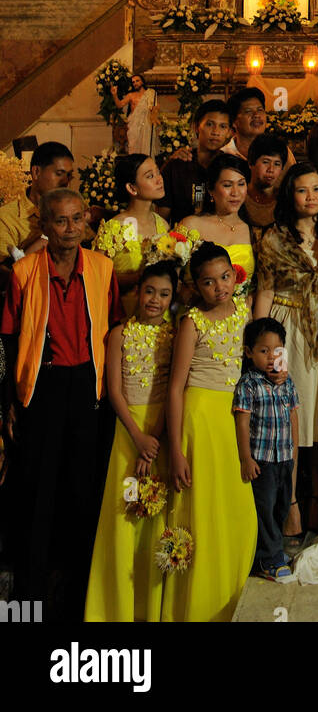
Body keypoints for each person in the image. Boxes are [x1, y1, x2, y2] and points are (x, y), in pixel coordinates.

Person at [0, 189, 124, 618]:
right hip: (41, 387)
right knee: (36, 497)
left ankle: (79, 602)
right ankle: (30, 603)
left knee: (82, 495)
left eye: (77, 219)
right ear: (44, 226)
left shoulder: (103, 269)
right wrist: (8, 403)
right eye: (60, 221)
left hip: (87, 389)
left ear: (86, 222)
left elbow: (112, 331)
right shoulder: (23, 271)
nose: (70, 229)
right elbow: (7, 340)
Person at [162, 243, 256, 622]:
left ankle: (230, 596)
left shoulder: (243, 311)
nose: (219, 287)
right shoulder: (192, 321)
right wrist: (176, 450)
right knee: (203, 513)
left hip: (232, 417)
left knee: (237, 512)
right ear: (195, 286)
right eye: (208, 282)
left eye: (225, 278)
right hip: (200, 420)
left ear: (234, 276)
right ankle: (198, 605)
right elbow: (175, 386)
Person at [84, 262, 178, 622]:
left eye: (164, 294)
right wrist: (138, 438)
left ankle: (151, 609)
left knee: (156, 515)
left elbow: (172, 389)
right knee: (127, 510)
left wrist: (153, 440)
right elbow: (114, 391)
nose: (155, 299)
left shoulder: (173, 334)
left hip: (161, 434)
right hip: (128, 436)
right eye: (150, 291)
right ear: (138, 292)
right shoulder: (120, 333)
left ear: (172, 299)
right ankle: (118, 609)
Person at [255, 162, 318, 539]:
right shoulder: (274, 238)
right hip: (287, 329)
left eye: (317, 189)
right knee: (286, 419)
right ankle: (290, 507)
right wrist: (261, 346)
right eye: (303, 190)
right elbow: (265, 291)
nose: (310, 197)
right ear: (291, 195)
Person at [233, 317, 300, 584]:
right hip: (262, 460)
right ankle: (267, 558)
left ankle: (273, 552)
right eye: (263, 351)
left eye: (277, 350)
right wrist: (246, 458)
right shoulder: (248, 384)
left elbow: (294, 415)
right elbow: (242, 422)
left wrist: (294, 452)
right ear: (249, 353)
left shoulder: (287, 382)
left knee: (281, 507)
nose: (271, 357)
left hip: (284, 457)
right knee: (265, 507)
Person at [93, 153, 169, 316]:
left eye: (158, 173)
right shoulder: (115, 227)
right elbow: (97, 277)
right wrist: (138, 277)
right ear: (132, 188)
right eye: (150, 176)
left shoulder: (162, 224)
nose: (159, 179)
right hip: (126, 314)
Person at [180, 152, 256, 286]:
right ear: (211, 189)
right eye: (227, 185)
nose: (235, 192)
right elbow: (168, 277)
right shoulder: (191, 225)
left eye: (241, 184)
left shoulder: (252, 231)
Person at [0, 140, 74, 266]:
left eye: (69, 176)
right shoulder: (7, 218)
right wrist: (44, 239)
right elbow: (6, 276)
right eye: (59, 174)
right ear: (36, 172)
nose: (65, 182)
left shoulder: (73, 209)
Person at [158, 99, 232, 223]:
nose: (215, 132)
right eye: (209, 124)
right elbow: (162, 219)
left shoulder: (231, 167)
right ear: (197, 127)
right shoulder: (176, 166)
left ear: (229, 132)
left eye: (223, 126)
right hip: (180, 239)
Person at [244, 134, 291, 243]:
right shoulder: (239, 197)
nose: (271, 169)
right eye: (265, 162)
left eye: (277, 164)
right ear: (251, 163)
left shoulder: (285, 199)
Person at [110, 73, 157, 157]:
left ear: (142, 82)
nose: (135, 83)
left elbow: (155, 108)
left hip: (146, 125)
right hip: (134, 126)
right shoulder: (131, 95)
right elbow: (120, 105)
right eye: (133, 82)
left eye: (137, 81)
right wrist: (114, 95)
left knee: (146, 147)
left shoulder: (150, 93)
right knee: (133, 148)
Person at [223, 88, 270, 162]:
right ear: (234, 122)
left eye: (260, 110)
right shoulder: (223, 155)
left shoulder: (279, 151)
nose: (256, 115)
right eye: (248, 111)